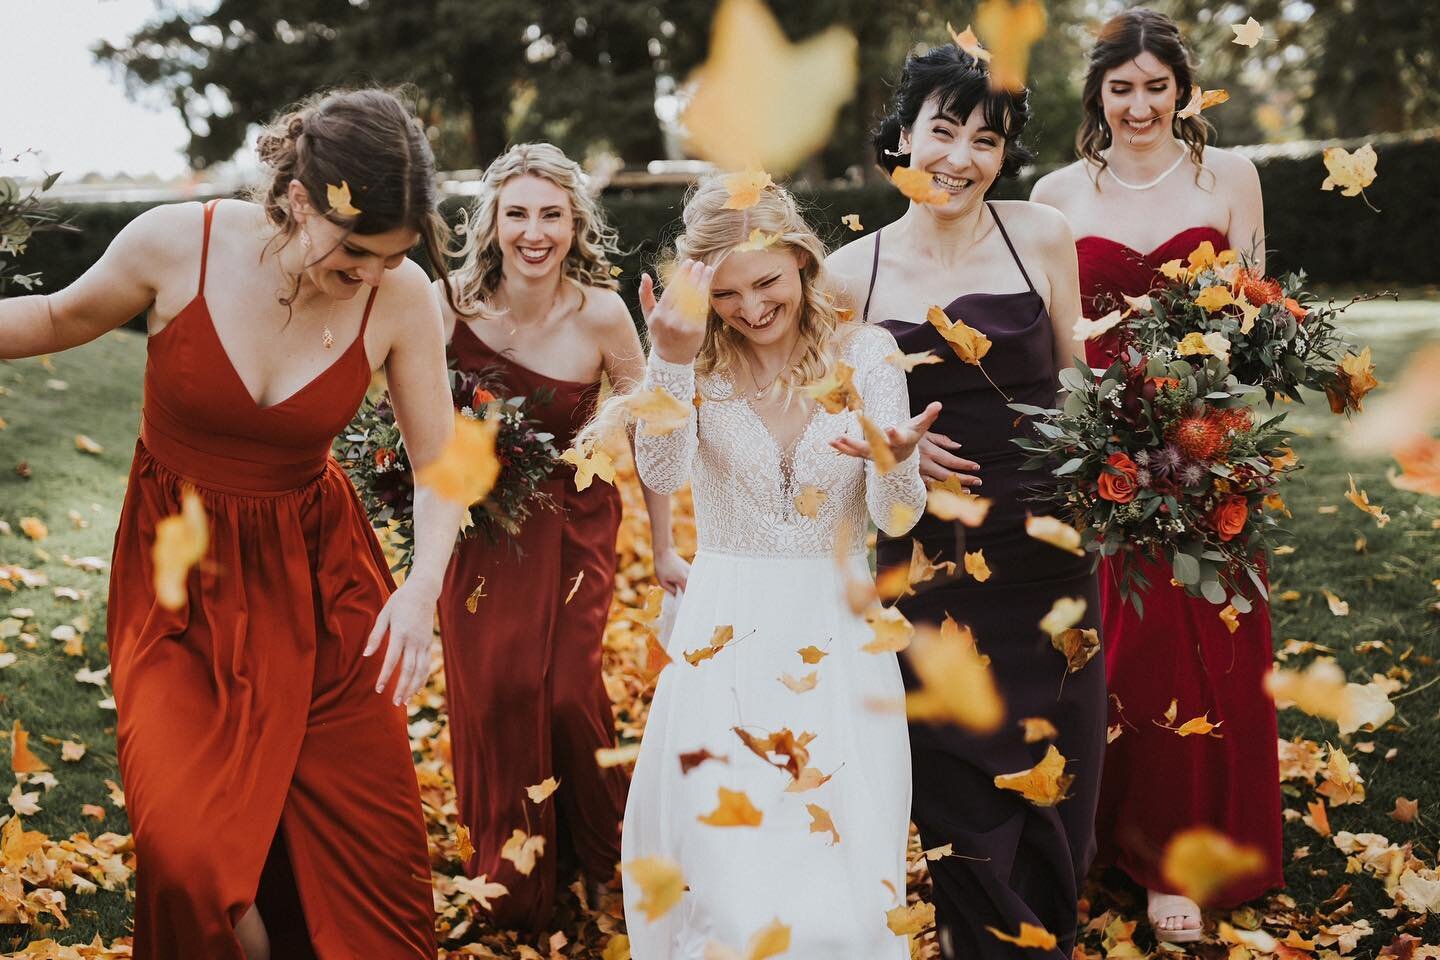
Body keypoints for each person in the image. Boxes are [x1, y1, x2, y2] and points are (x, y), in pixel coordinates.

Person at [0, 88, 466, 958]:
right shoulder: (176, 245)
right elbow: (61, 316)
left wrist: (421, 589)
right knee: (189, 861)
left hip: (323, 592)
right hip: (179, 584)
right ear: (299, 198)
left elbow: (442, 464)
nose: (369, 272)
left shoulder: (398, 297)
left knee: (374, 882)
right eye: (355, 250)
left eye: (390, 255)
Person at [609, 176, 936, 957]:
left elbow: (896, 517)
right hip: (728, 633)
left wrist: (895, 465)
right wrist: (672, 360)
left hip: (840, 631)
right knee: (726, 863)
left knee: (844, 862)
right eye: (726, 294)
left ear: (801, 260)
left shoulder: (868, 353)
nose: (751, 308)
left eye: (767, 283)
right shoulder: (699, 364)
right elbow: (660, 473)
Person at [827, 43, 1105, 960]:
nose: (960, 157)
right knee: (958, 781)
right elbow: (824, 435)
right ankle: (976, 940)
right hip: (932, 563)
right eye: (941, 130)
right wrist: (887, 444)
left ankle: (1047, 934)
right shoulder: (848, 275)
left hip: (1050, 553)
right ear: (902, 136)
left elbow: (1081, 385)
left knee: (1056, 774)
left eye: (986, 139)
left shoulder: (1043, 234)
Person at [1031, 7, 1281, 942]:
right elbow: (1057, 339)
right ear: (1098, 92)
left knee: (1205, 642)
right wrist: (1087, 439)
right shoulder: (1058, 191)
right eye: (1122, 88)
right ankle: (1109, 839)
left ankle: (1188, 855)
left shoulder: (1232, 177)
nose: (1139, 106)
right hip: (1107, 452)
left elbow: (1258, 308)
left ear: (1183, 88)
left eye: (1157, 87)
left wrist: (1217, 405)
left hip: (1208, 440)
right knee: (1121, 646)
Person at [433, 142, 686, 927]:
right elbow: (408, 412)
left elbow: (649, 431)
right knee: (498, 692)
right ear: (493, 221)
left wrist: (667, 543)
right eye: (518, 214)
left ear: (574, 222)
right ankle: (510, 873)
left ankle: (600, 848)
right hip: (477, 528)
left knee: (571, 691)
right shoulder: (448, 303)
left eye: (551, 214)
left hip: (574, 521)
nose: (534, 232)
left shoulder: (602, 312)